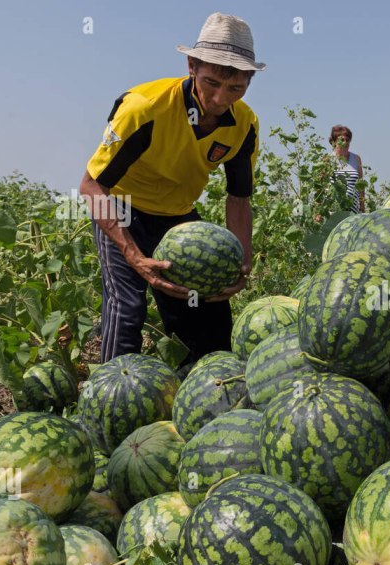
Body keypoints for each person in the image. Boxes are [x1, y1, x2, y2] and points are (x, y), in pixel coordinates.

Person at [79, 13, 263, 365]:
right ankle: (109, 402)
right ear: (192, 65)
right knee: (127, 307)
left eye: (236, 88)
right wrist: (132, 254)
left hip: (178, 218)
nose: (220, 98)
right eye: (211, 82)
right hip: (122, 209)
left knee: (205, 313)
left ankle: (208, 394)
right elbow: (90, 186)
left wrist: (242, 261)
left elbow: (239, 198)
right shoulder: (145, 108)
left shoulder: (244, 124)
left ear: (249, 81)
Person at [330, 125, 366, 213]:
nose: (345, 142)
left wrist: (362, 205)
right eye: (342, 140)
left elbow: (360, 185)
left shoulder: (356, 159)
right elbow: (321, 187)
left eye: (347, 140)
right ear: (334, 142)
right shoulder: (328, 160)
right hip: (333, 210)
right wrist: (318, 212)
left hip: (352, 210)